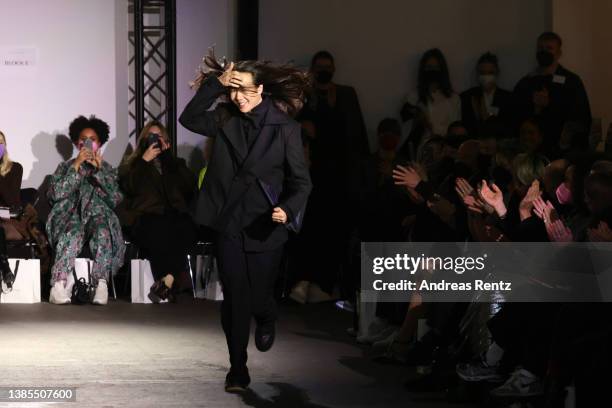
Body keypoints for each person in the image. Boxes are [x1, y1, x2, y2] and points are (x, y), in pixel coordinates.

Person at [179, 52, 312, 392]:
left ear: (262, 89)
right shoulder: (225, 117)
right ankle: (238, 368)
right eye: (233, 90)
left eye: (244, 90)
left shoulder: (286, 129)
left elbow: (301, 182)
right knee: (235, 297)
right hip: (230, 222)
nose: (237, 97)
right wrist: (216, 84)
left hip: (266, 223)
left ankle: (267, 316)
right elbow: (189, 118)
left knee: (257, 297)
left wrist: (289, 208)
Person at [46, 115, 125, 305]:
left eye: (92, 140)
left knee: (102, 231)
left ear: (99, 143)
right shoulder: (65, 167)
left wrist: (98, 173)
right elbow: (54, 195)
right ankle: (58, 285)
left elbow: (116, 199)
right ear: (76, 142)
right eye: (83, 140)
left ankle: (101, 284)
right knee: (72, 231)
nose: (87, 143)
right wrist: (76, 166)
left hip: (97, 217)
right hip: (68, 217)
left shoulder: (107, 169)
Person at [118, 121, 197, 302]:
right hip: (146, 217)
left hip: (175, 216)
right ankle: (170, 280)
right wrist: (144, 161)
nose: (155, 140)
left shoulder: (176, 164)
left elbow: (189, 187)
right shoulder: (132, 165)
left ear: (166, 141)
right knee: (159, 228)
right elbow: (129, 187)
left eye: (159, 136)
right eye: (150, 136)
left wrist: (170, 159)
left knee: (184, 227)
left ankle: (166, 281)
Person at [513, 32, 592, 159]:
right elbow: (514, 115)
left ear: (559, 53)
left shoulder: (572, 82)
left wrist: (551, 104)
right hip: (530, 153)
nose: (544, 51)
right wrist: (534, 109)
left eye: (549, 48)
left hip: (561, 152)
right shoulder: (525, 83)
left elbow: (582, 116)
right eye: (540, 48)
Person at [400, 48, 461, 158]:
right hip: (420, 154)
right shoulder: (413, 97)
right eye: (429, 68)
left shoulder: (453, 98)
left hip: (446, 154)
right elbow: (406, 131)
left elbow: (455, 130)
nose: (432, 72)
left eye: (436, 68)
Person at [461, 52, 514, 136]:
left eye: (490, 73)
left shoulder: (508, 98)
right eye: (482, 73)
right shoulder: (467, 96)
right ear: (477, 74)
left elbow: (510, 126)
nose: (486, 76)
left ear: (497, 73)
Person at [0, 130, 22, 289]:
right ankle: (5, 267)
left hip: (7, 213)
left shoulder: (15, 168)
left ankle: (4, 266)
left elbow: (12, 200)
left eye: (0, 143)